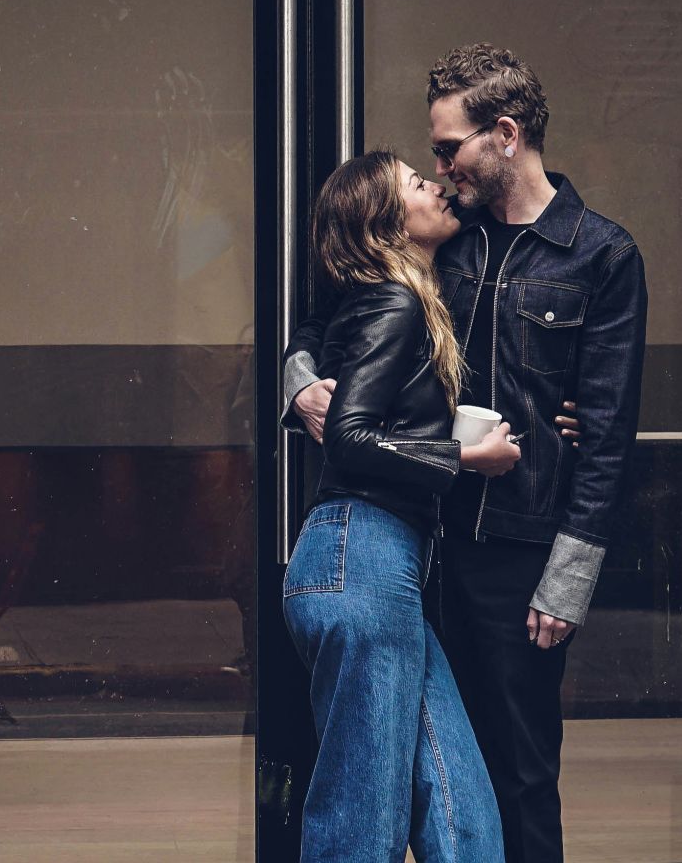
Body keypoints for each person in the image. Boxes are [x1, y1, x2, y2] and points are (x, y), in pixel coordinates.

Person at [286, 45, 648, 863]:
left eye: (448, 149)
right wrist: (300, 386)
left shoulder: (602, 256)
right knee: (431, 779)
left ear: (506, 136)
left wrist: (569, 580)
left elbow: (610, 433)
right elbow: (329, 322)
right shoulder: (448, 239)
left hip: (516, 556)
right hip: (410, 542)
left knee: (516, 775)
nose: (440, 168)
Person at [284, 150, 521, 862]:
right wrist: (468, 459)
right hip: (360, 556)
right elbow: (351, 441)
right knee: (361, 827)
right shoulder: (393, 301)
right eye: (419, 183)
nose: (439, 185)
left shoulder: (397, 297)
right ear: (390, 226)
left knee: (464, 815)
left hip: (379, 568)